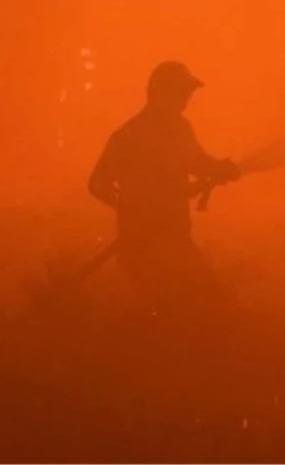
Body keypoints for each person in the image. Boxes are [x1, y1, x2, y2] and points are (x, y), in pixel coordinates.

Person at [87, 61, 241, 316]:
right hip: (142, 248)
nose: (185, 100)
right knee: (172, 314)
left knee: (207, 308)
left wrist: (220, 169)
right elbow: (97, 183)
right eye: (181, 93)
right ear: (159, 93)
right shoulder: (129, 136)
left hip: (176, 242)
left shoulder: (179, 129)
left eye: (187, 94)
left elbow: (196, 163)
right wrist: (131, 208)